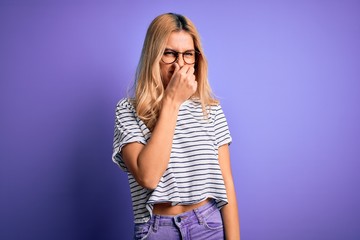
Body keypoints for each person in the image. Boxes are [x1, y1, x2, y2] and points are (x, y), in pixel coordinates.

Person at [112, 12, 240, 240]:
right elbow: (148, 177)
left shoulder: (210, 109)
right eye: (170, 54)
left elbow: (226, 181)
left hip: (208, 225)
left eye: (188, 54)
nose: (180, 64)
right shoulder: (128, 110)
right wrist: (171, 101)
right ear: (154, 55)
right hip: (156, 230)